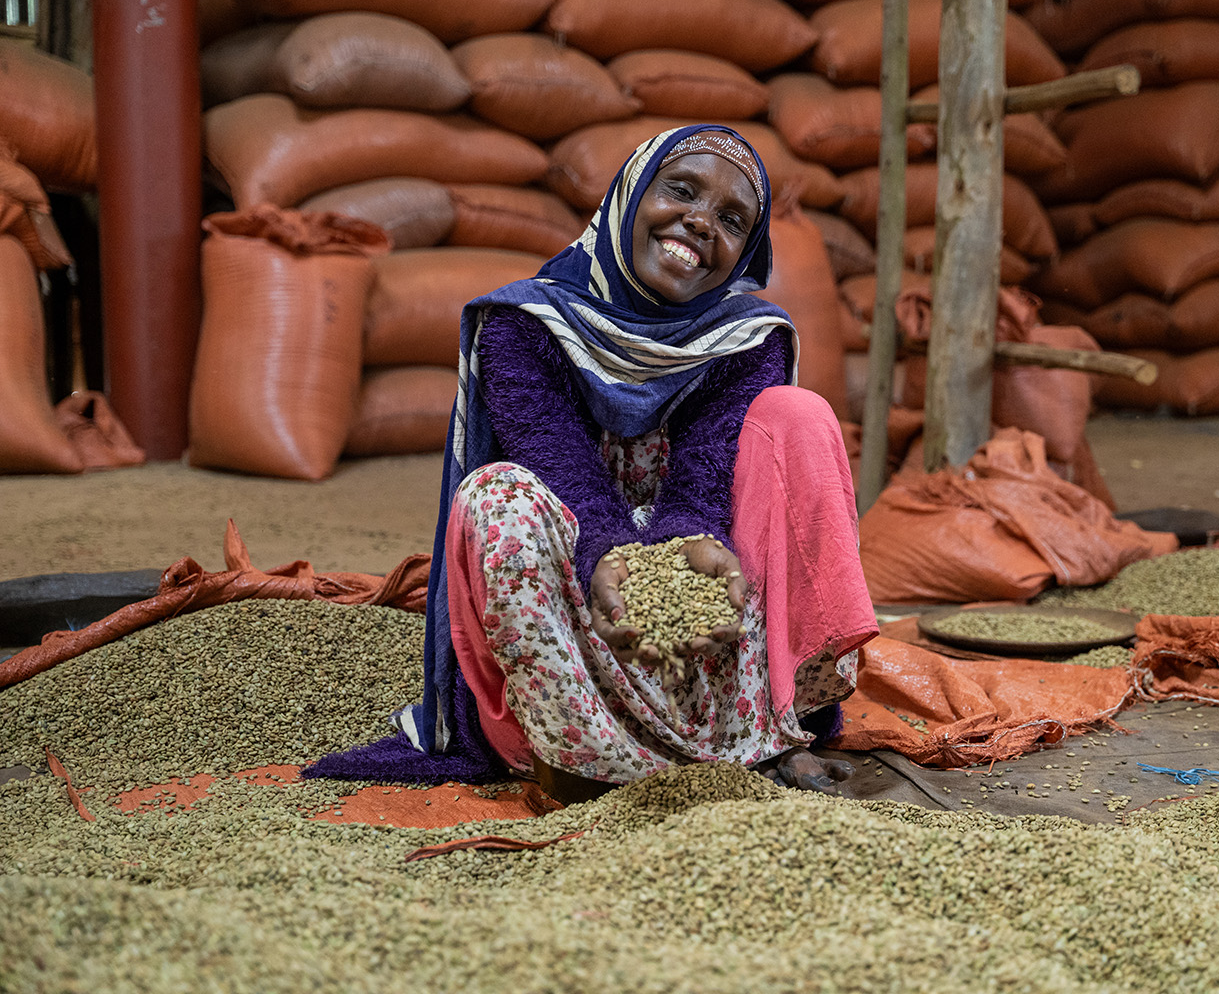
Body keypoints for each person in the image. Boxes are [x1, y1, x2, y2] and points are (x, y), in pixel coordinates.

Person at [308, 125, 877, 801]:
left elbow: (704, 472)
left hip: (710, 609)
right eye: (681, 190)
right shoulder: (529, 324)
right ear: (630, 195)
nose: (700, 222)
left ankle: (771, 735)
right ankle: (582, 762)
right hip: (577, 597)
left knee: (801, 417)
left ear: (745, 252)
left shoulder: (746, 339)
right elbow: (563, 467)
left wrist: (690, 542)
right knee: (497, 495)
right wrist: (607, 555)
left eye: (731, 220)